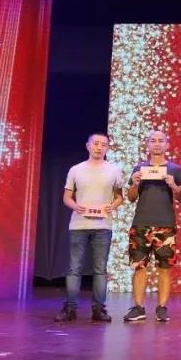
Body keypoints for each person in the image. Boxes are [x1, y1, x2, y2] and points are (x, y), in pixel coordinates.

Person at [56, 133, 124, 322]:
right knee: (74, 268)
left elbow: (119, 196)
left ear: (107, 148)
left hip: (103, 225)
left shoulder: (114, 170)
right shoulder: (76, 170)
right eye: (96, 143)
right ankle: (70, 308)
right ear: (88, 146)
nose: (99, 147)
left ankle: (99, 309)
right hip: (79, 225)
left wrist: (113, 205)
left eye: (104, 144)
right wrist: (75, 206)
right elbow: (67, 197)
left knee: (100, 269)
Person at [123, 130, 181, 322]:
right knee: (139, 267)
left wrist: (173, 185)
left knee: (164, 268)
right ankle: (138, 307)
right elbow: (131, 198)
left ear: (167, 145)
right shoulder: (139, 168)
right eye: (153, 141)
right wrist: (134, 184)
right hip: (141, 224)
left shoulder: (174, 169)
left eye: (161, 141)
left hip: (165, 225)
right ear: (148, 144)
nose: (157, 144)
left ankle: (162, 307)